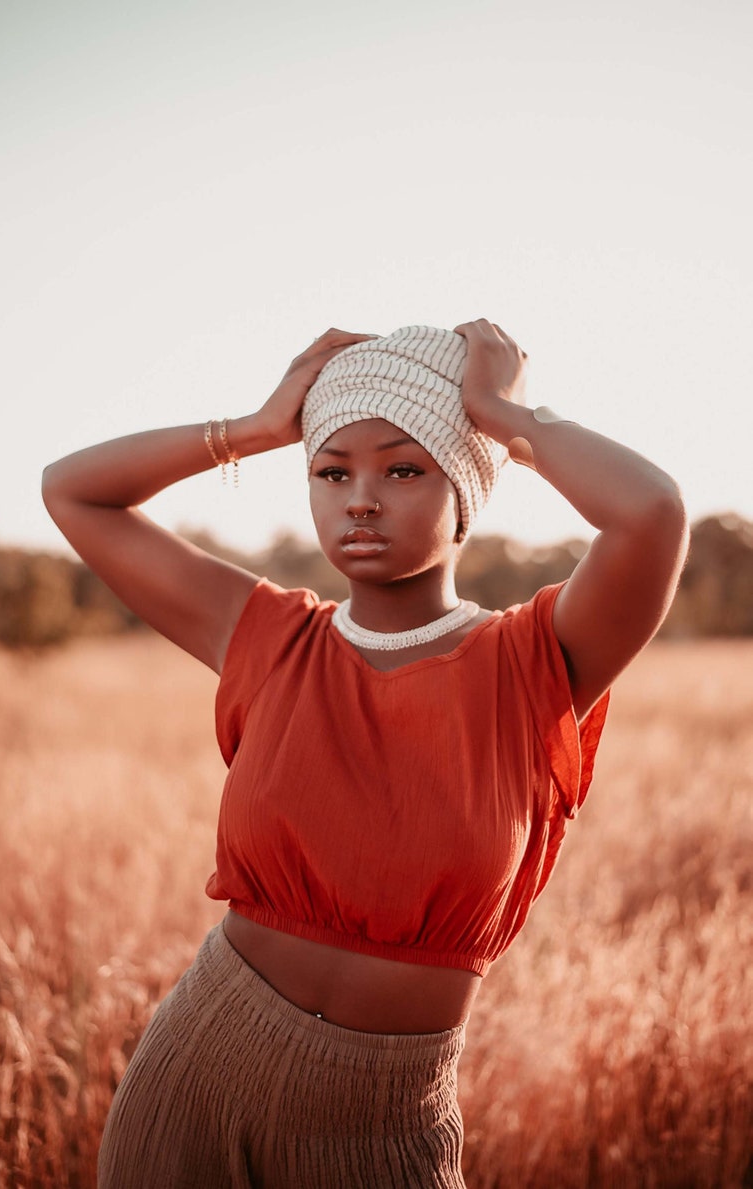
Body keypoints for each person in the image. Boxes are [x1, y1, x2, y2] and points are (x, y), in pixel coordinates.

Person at [41, 320, 689, 1188]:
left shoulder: (533, 663)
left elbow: (651, 513)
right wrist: (261, 426)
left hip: (384, 1121)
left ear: (464, 485)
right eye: (331, 469)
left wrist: (500, 411)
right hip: (195, 1073)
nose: (361, 498)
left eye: (404, 467)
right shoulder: (266, 635)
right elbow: (71, 491)